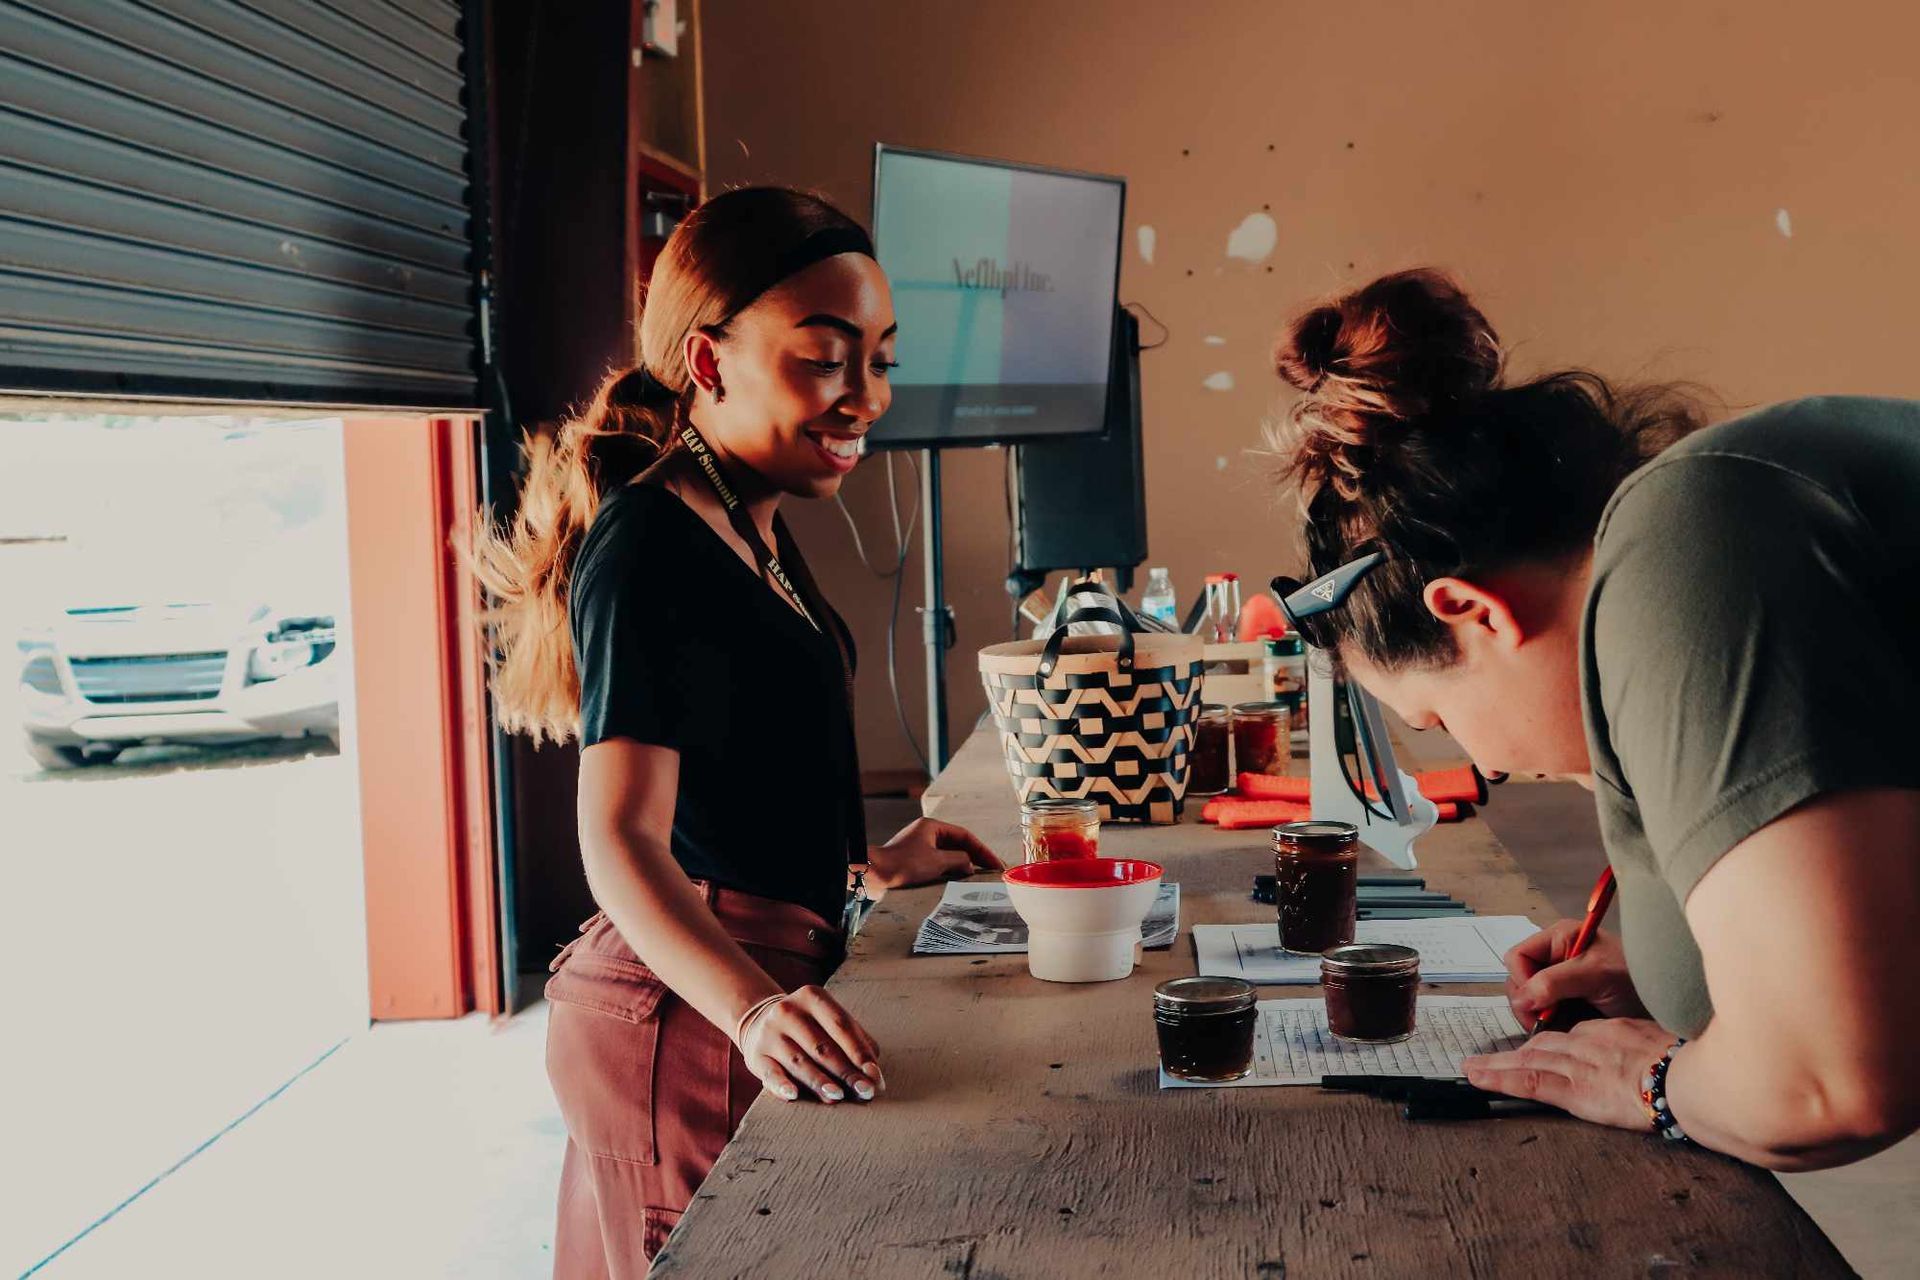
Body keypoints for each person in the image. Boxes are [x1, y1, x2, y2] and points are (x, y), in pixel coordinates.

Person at [1268, 268, 1920, 1171]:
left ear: (1475, 613)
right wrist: (1676, 960)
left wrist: (1652, 1083)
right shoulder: (1715, 511)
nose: (1481, 761)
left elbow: (1828, 1085)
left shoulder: (1691, 545)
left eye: (1441, 720)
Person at [474, 187, 1001, 1275]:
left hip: (743, 969)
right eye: (824, 358)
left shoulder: (752, 521)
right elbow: (620, 835)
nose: (866, 397)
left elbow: (745, 750)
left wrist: (866, 860)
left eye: (880, 360)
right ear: (708, 363)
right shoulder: (652, 542)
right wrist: (753, 1010)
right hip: (688, 1006)